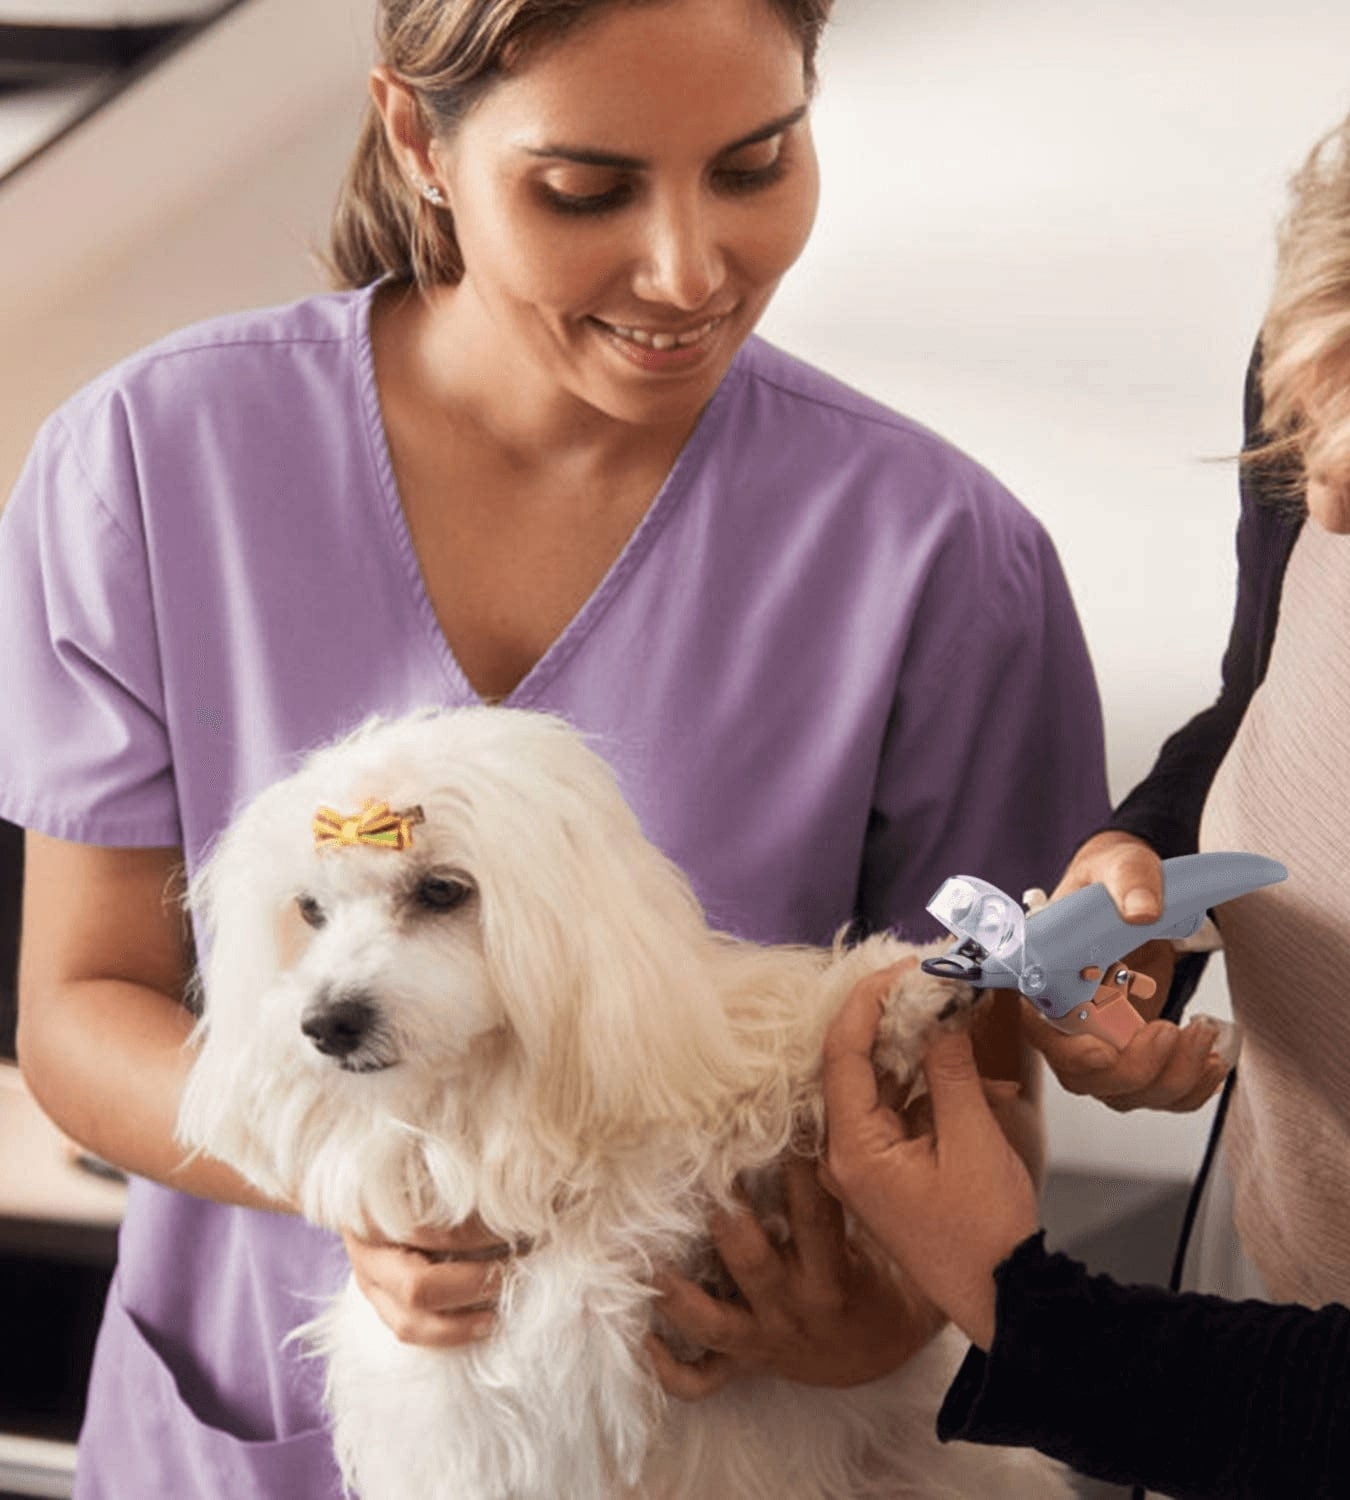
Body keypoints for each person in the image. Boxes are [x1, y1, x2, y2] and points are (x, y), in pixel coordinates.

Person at [0, 1, 1107, 1494]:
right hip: (252, 1423)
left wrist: (882, 1313)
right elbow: (82, 1002)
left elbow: (977, 1083)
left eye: (755, 162)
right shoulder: (145, 465)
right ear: (418, 139)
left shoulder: (943, 557)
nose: (689, 268)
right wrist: (364, 1186)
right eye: (586, 189)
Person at [1020, 0, 1350, 1326]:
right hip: (1259, 1283)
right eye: (1301, 421)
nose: (1330, 503)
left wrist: (1037, 1330)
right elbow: (1269, 702)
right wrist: (1144, 907)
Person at [821, 963, 1350, 1499]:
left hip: (1299, 1407)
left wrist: (1026, 1314)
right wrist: (1145, 851)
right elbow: (1221, 786)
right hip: (1261, 1276)